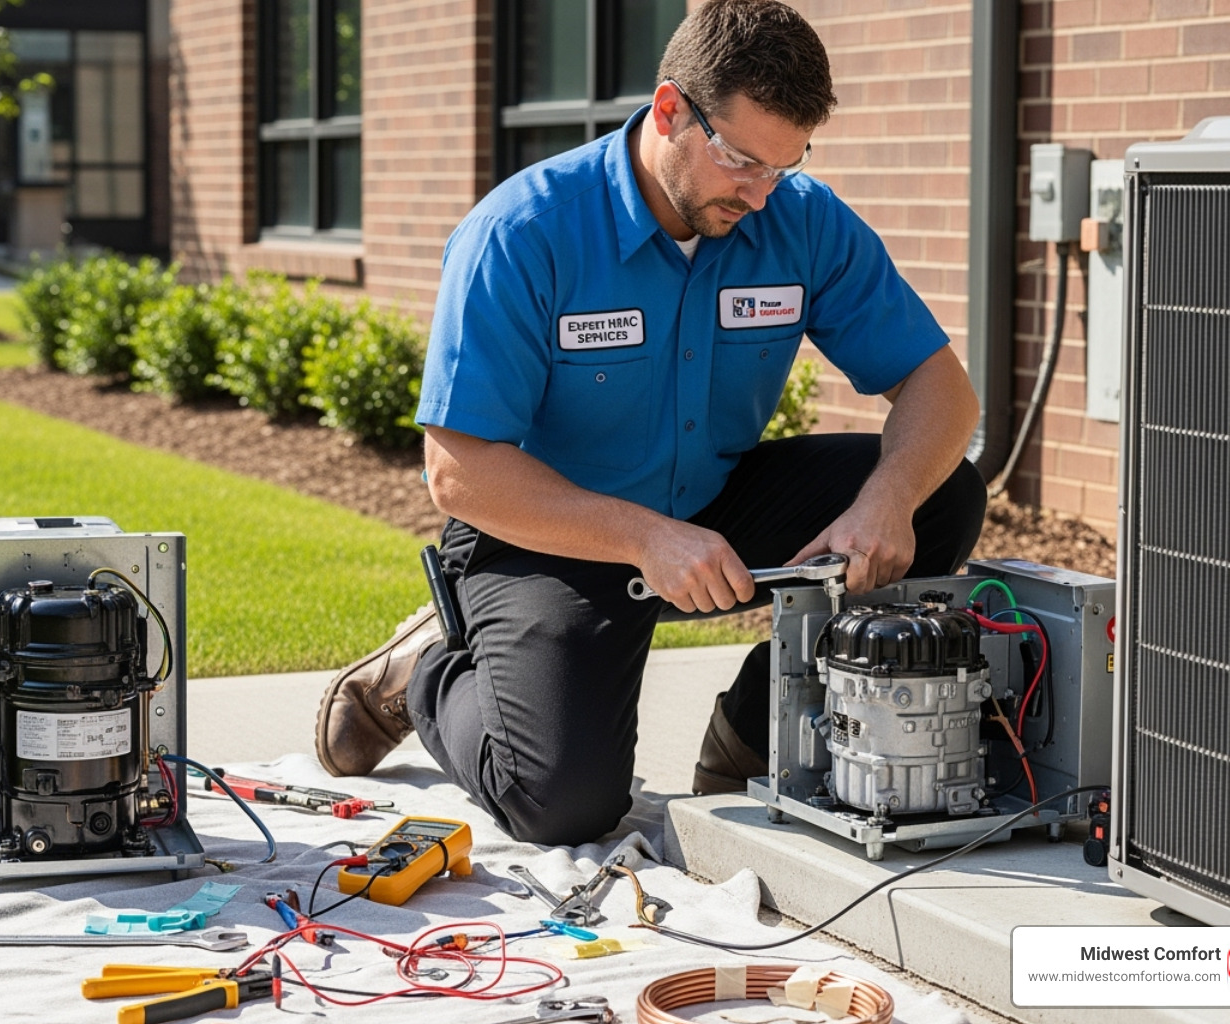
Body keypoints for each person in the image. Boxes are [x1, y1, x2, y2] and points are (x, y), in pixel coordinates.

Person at [315, 0, 986, 846]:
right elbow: (459, 472)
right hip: (547, 539)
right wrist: (643, 538)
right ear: (670, 110)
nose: (759, 193)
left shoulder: (799, 217)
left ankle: (753, 735)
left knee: (941, 494)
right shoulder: (522, 233)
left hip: (712, 502)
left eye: (784, 165)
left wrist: (888, 497)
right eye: (741, 160)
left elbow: (943, 389)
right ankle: (424, 671)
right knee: (563, 805)